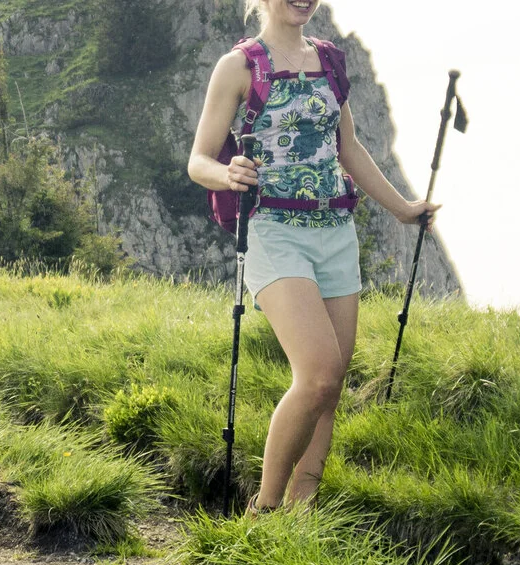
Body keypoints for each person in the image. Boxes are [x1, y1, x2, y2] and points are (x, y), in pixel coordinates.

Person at [187, 0, 440, 513]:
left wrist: (403, 211)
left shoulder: (328, 59)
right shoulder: (240, 65)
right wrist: (227, 173)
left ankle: (304, 514)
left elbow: (349, 149)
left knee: (331, 386)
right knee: (319, 374)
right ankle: (265, 509)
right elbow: (198, 160)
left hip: (336, 230)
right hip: (274, 231)